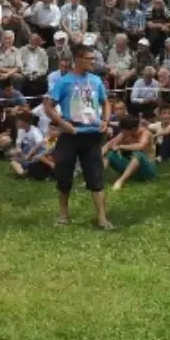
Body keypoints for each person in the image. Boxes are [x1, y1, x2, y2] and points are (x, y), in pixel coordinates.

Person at [44, 42, 114, 229]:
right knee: (64, 176)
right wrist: (62, 124)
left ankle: (102, 218)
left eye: (94, 58)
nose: (93, 62)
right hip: (71, 134)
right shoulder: (64, 81)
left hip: (92, 135)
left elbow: (106, 102)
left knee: (96, 176)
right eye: (89, 59)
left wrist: (106, 121)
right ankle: (63, 215)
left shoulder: (96, 81)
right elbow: (48, 106)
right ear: (78, 59)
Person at [103, 115, 156, 190]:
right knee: (111, 154)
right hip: (133, 169)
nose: (122, 132)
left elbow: (140, 146)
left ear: (133, 129)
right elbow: (111, 144)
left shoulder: (145, 133)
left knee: (138, 154)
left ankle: (120, 181)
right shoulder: (125, 134)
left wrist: (121, 146)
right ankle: (96, 179)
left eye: (124, 130)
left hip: (148, 170)